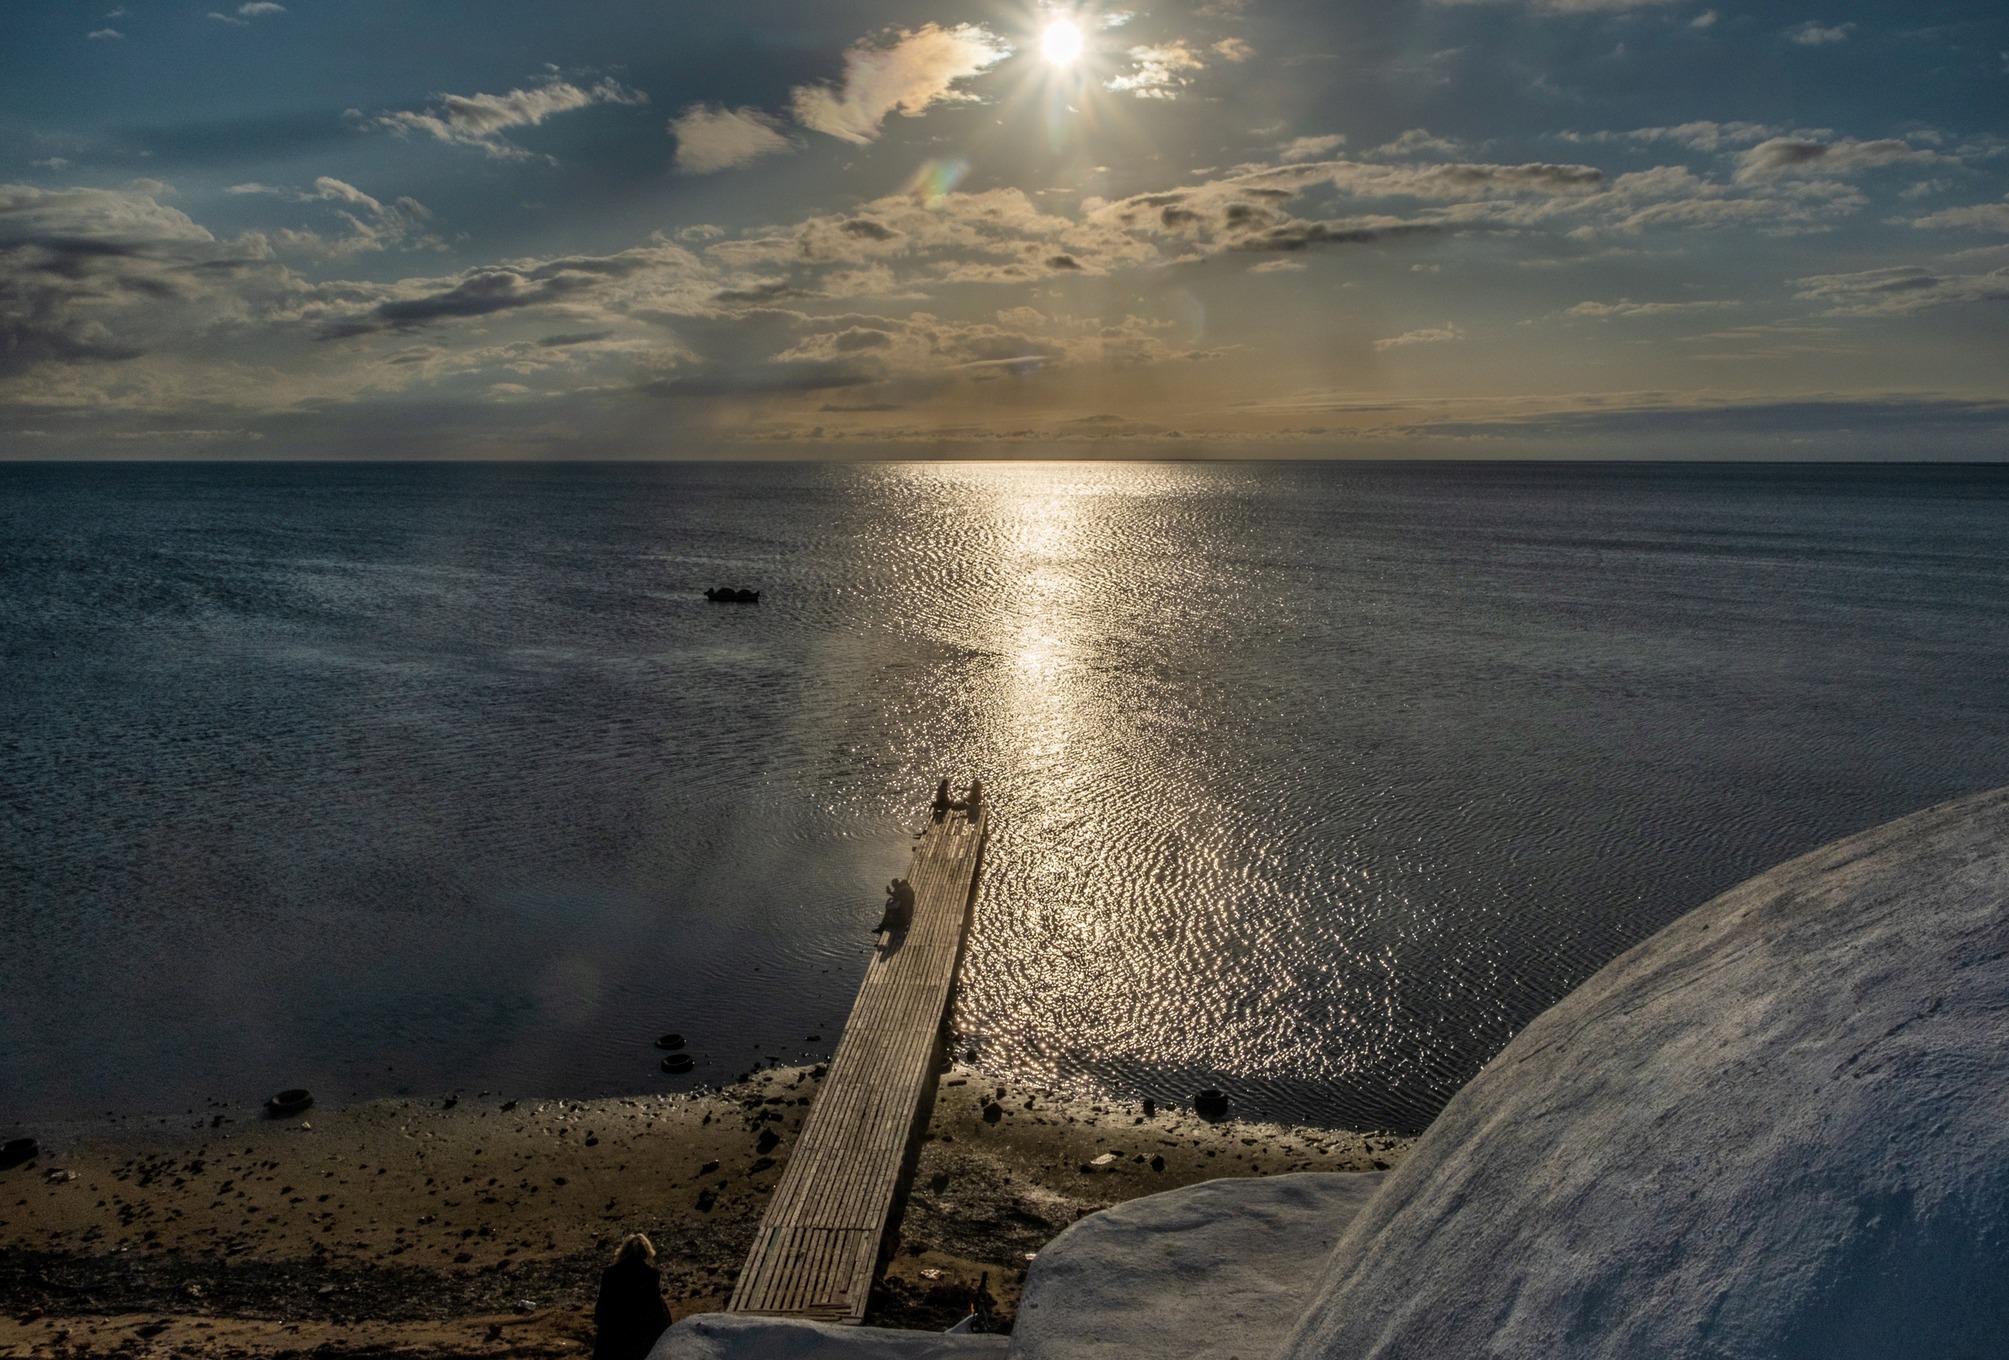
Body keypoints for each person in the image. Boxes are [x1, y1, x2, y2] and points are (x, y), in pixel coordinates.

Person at [594, 1233, 671, 1360]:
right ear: (646, 1252)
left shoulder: (610, 1274)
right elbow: (656, 1309)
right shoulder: (651, 1274)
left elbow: (601, 1309)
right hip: (641, 1336)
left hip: (614, 1335)